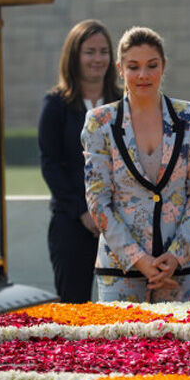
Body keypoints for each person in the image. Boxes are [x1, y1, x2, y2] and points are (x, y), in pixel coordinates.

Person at [82, 27, 190, 302]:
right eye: (134, 67)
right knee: (120, 347)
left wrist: (176, 254)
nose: (143, 75)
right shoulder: (99, 122)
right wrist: (139, 259)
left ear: (164, 67)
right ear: (119, 69)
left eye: (152, 65)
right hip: (120, 270)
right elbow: (98, 200)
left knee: (181, 345)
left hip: (178, 268)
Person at [38, 19, 122, 302]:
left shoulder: (123, 102)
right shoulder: (56, 104)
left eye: (103, 51)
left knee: (124, 312)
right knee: (74, 307)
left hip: (121, 223)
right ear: (74, 55)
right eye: (90, 51)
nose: (98, 59)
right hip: (72, 223)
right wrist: (83, 211)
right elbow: (50, 164)